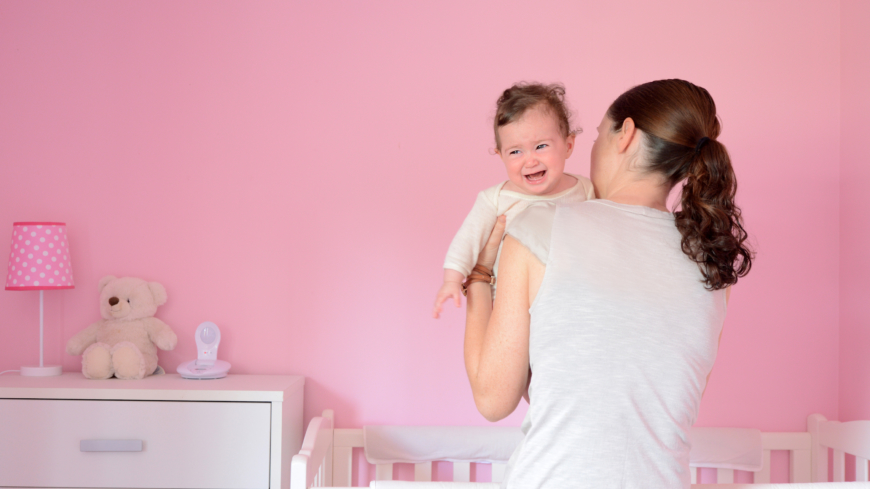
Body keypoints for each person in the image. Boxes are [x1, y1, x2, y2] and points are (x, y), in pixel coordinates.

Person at [463, 79, 753, 488]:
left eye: (599, 135)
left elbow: (494, 400)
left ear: (626, 134)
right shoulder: (710, 262)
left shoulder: (544, 227)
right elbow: (628, 393)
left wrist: (478, 277)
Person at [432, 83, 595, 319]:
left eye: (541, 146)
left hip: (567, 301)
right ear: (500, 156)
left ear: (568, 146)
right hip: (510, 305)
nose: (530, 161)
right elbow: (467, 239)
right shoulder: (495, 199)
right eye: (515, 152)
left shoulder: (585, 190)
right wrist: (451, 279)